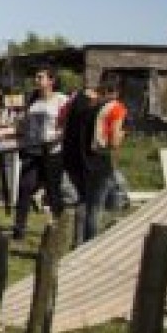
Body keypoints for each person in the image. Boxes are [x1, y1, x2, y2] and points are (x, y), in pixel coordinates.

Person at [61, 80, 126, 245]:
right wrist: (122, 134)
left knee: (82, 204)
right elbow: (114, 142)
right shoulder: (113, 108)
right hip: (99, 163)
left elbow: (61, 124)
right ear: (115, 92)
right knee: (95, 209)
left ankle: (77, 245)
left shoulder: (76, 104)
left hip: (74, 162)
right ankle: (91, 246)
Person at [11, 66, 68, 240]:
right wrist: (14, 129)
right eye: (36, 77)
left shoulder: (61, 100)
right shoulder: (33, 101)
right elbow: (24, 126)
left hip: (52, 152)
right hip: (33, 151)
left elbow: (68, 124)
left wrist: (58, 136)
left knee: (53, 191)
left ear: (51, 81)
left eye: (40, 77)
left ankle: (57, 230)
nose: (36, 80)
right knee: (25, 187)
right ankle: (19, 230)